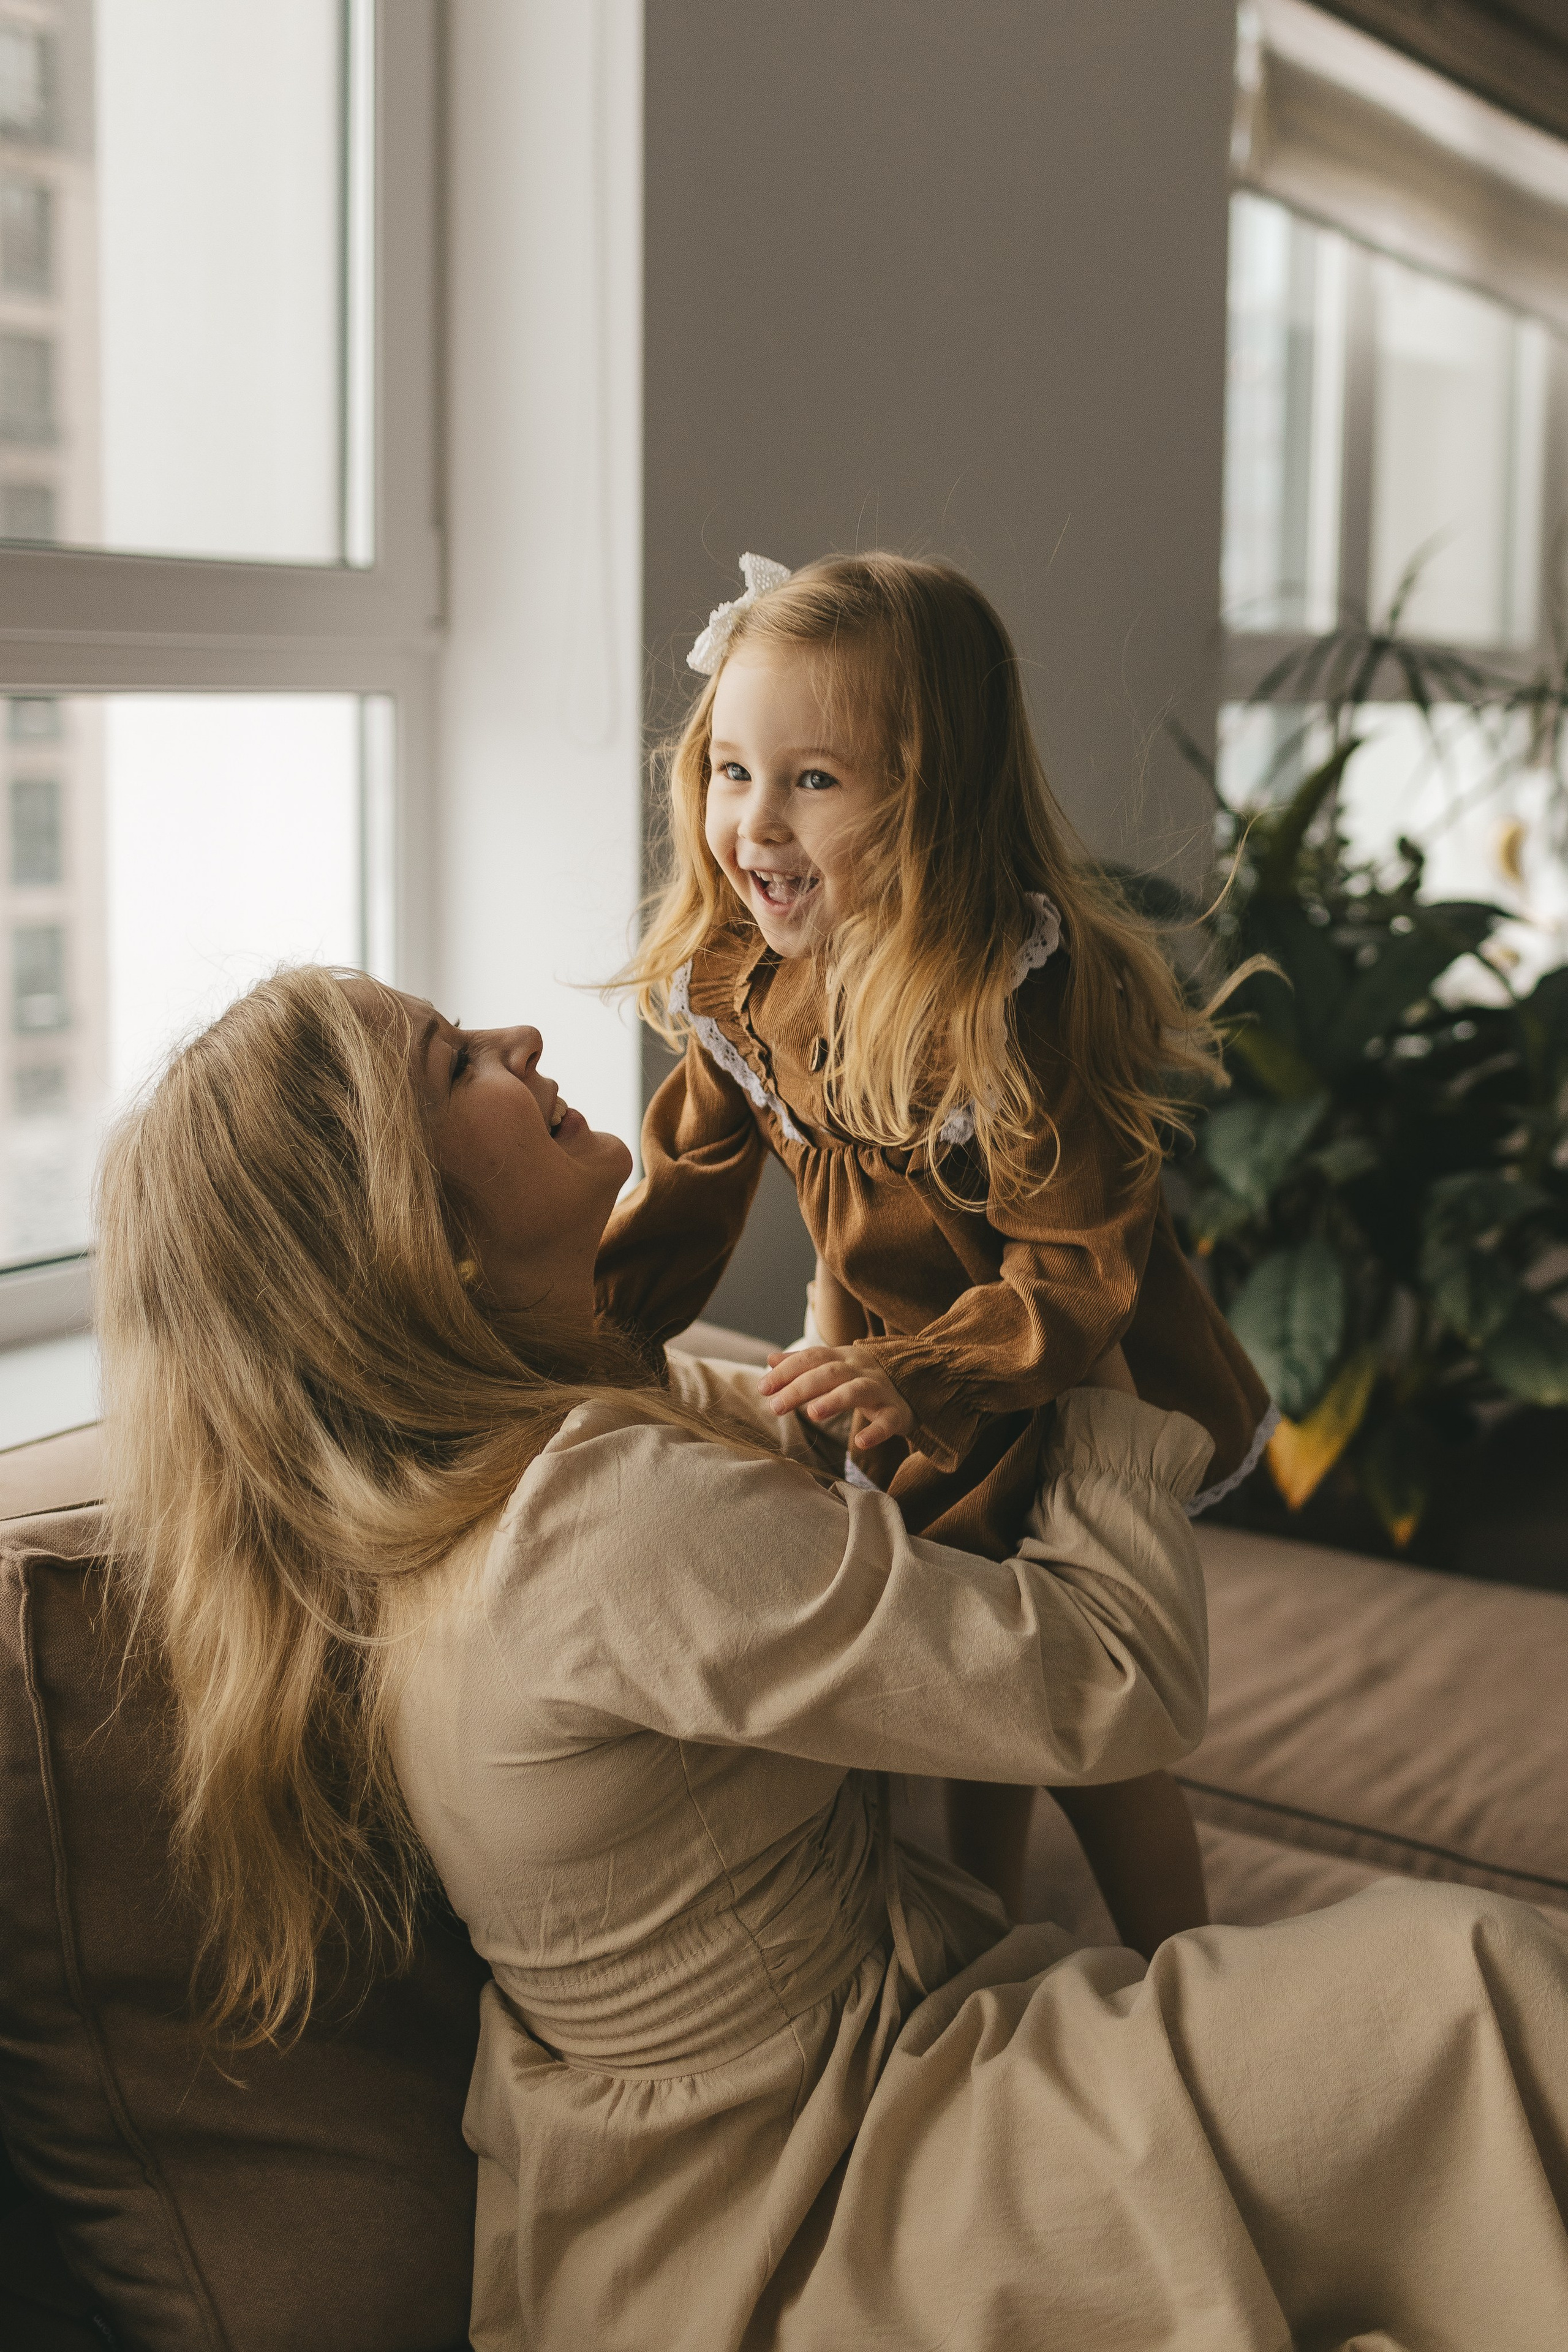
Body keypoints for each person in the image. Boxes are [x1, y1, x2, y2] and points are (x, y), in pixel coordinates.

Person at [99, 965, 1568, 2352]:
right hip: (818, 2193)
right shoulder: (591, 1521)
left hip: (710, 2169)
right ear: (418, 1229)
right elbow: (1118, 1681)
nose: (519, 1042)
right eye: (454, 1064)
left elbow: (794, 1448)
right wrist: (1086, 1336)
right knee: (1469, 1983)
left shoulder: (501, 1472)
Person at [597, 550, 1271, 1942]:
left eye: (813, 780)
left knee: (1096, 1728)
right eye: (731, 771)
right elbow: (687, 1188)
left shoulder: (1012, 999)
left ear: (930, 795)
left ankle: (1185, 1968)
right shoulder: (744, 984)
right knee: (979, 1699)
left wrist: (929, 1369)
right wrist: (574, 1332)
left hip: (1058, 1372)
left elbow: (1076, 1263)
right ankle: (1000, 1918)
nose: (754, 824)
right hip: (901, 1378)